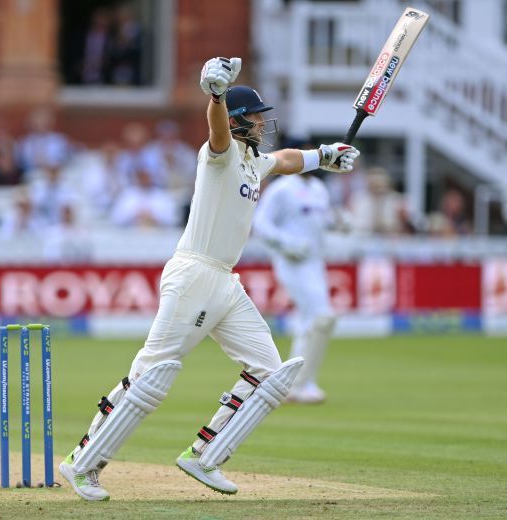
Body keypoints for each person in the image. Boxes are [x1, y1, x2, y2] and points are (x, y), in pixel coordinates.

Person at [58, 57, 360, 501]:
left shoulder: (256, 163)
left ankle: (205, 455)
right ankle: (82, 463)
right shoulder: (219, 155)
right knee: (151, 375)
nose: (262, 125)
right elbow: (217, 131)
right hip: (194, 272)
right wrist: (216, 96)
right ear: (240, 122)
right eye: (256, 119)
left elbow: (287, 159)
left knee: (269, 373)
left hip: (224, 281)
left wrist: (325, 156)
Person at [253, 167, 342, 404]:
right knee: (322, 317)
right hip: (292, 261)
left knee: (310, 321)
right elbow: (260, 223)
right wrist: (286, 243)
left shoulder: (318, 188)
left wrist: (339, 222)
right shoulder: (282, 188)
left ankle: (297, 384)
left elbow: (322, 220)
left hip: (315, 261)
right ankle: (299, 384)